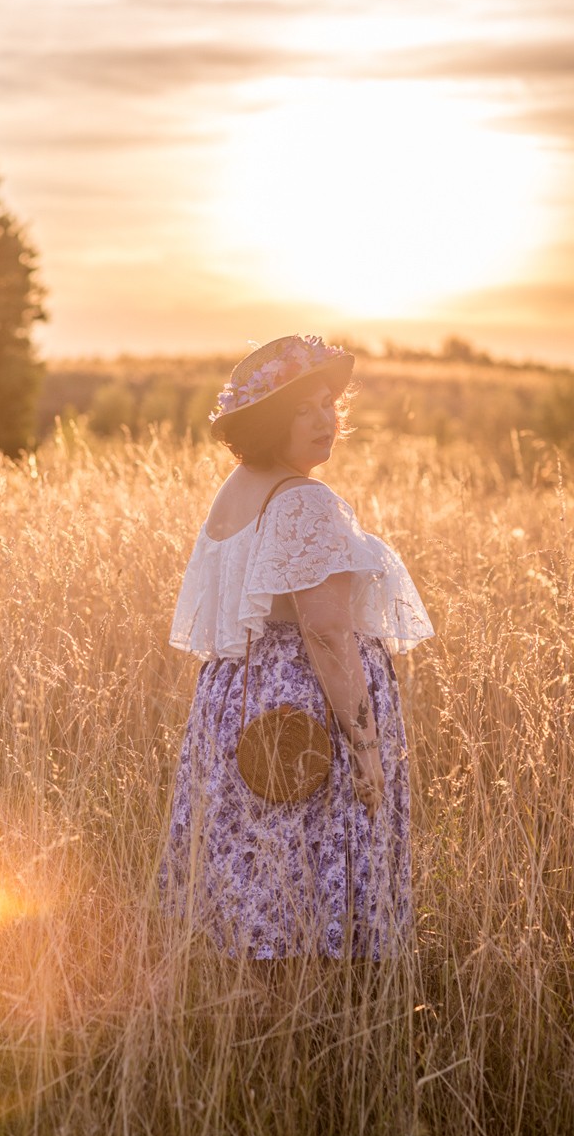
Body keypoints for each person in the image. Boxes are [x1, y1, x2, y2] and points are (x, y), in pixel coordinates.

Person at [159, 334, 434, 961]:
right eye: (301, 409)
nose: (323, 421)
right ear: (268, 422)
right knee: (312, 858)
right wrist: (366, 752)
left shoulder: (238, 490)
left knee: (255, 862)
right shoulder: (305, 500)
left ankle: (248, 1001)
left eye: (327, 405)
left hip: (237, 699)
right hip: (302, 708)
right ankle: (322, 1003)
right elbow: (328, 633)